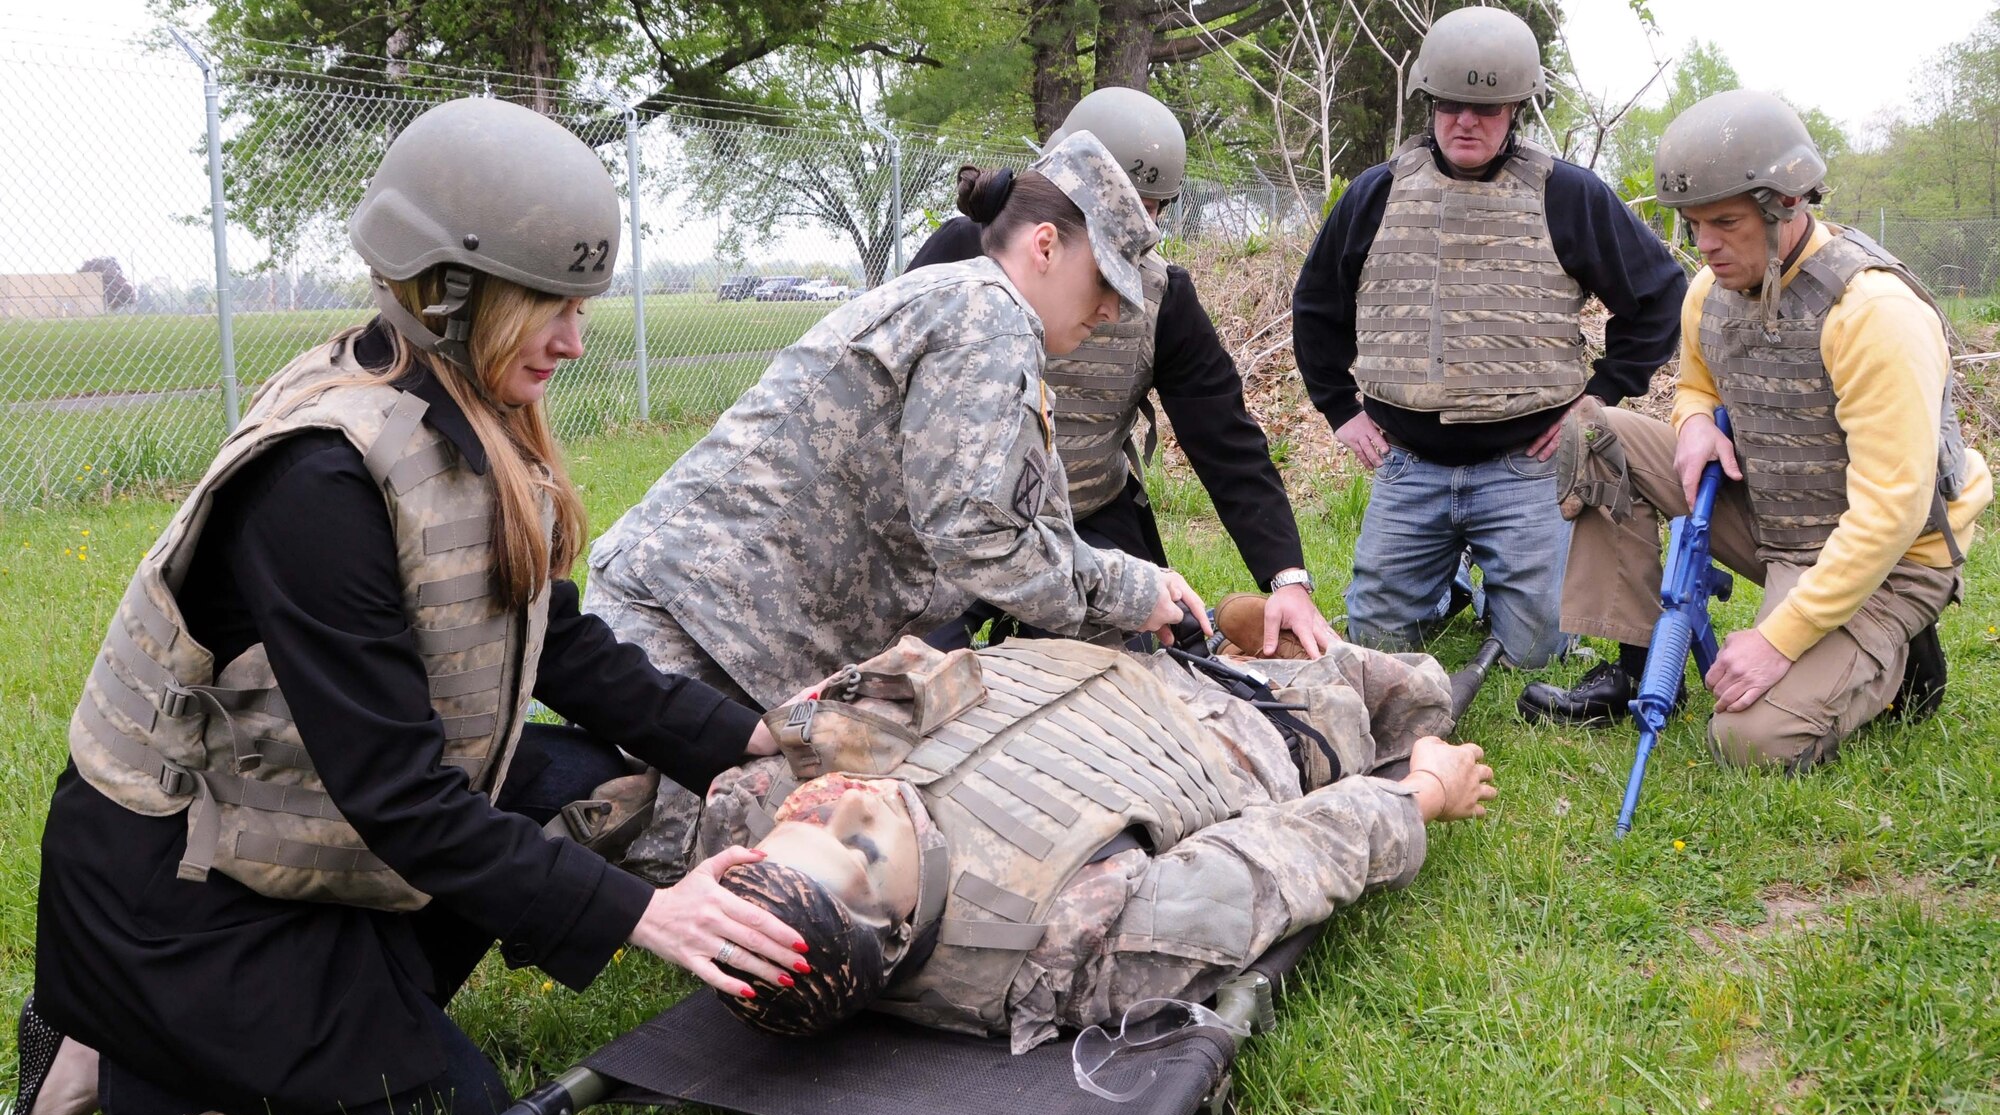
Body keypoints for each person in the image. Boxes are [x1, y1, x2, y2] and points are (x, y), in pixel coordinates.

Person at [7, 97, 809, 1115]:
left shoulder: (458, 407)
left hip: (286, 840)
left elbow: (549, 634)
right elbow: (398, 794)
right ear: (449, 291)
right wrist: (646, 915)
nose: (574, 343)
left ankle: (324, 1002)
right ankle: (127, 1061)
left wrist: (753, 739)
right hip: (178, 890)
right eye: (550, 306)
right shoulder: (320, 479)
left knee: (584, 777)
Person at [585, 132, 1210, 719]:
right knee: (705, 834)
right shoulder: (987, 317)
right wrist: (1129, 590)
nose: (1110, 310)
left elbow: (1019, 524)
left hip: (718, 627)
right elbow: (973, 534)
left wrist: (1137, 585)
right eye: (1104, 280)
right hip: (685, 631)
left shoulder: (973, 308)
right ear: (1045, 246)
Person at [691, 614, 1494, 1052]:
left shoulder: (754, 805)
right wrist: (1422, 792)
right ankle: (1245, 651)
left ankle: (1225, 631)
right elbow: (1282, 863)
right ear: (897, 932)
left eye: (811, 816)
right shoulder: (1066, 949)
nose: (850, 805)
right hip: (1230, 727)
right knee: (1406, 692)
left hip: (1078, 656)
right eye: (861, 853)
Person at [1517, 91, 1992, 769]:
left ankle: (1898, 659)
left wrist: (1778, 640)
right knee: (1597, 434)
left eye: (1726, 222)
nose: (1705, 245)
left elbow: (1893, 510)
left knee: (1747, 740)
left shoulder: (1872, 313)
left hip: (1891, 555)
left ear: (1788, 205)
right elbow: (1696, 384)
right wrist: (1691, 425)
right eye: (1691, 224)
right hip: (1777, 512)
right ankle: (1635, 669)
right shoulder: (1709, 290)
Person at [1291, 6, 1685, 668]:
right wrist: (1340, 409)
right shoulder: (1376, 194)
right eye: (1451, 105)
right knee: (1378, 644)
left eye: (1487, 106)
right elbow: (1316, 304)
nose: (1466, 121)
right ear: (1429, 105)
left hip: (1526, 467)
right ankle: (1443, 584)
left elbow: (1659, 296)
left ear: (1515, 111)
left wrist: (1600, 395)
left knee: (1537, 652)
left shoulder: (1568, 196)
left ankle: (1501, 586)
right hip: (1408, 463)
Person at [907, 87, 1336, 658]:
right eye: (1113, 199)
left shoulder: (1163, 296)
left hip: (1083, 514)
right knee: (912, 673)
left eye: (1150, 206)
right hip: (951, 526)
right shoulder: (969, 251)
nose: (1130, 223)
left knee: (1148, 661)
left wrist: (1287, 577)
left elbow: (1223, 436)